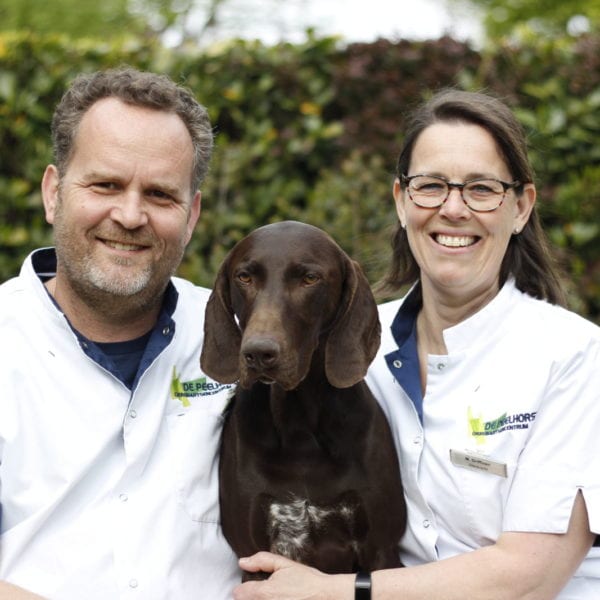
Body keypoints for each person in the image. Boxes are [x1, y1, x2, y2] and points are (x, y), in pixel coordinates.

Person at [230, 89, 600, 599]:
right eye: (430, 187)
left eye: (481, 189)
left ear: (520, 208)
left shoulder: (575, 356)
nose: (453, 209)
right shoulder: (353, 350)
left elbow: (531, 579)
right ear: (402, 202)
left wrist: (338, 592)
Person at [0, 67, 241, 598]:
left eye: (159, 194)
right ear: (53, 192)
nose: (130, 215)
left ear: (192, 214)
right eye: (106, 185)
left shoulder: (243, 343)